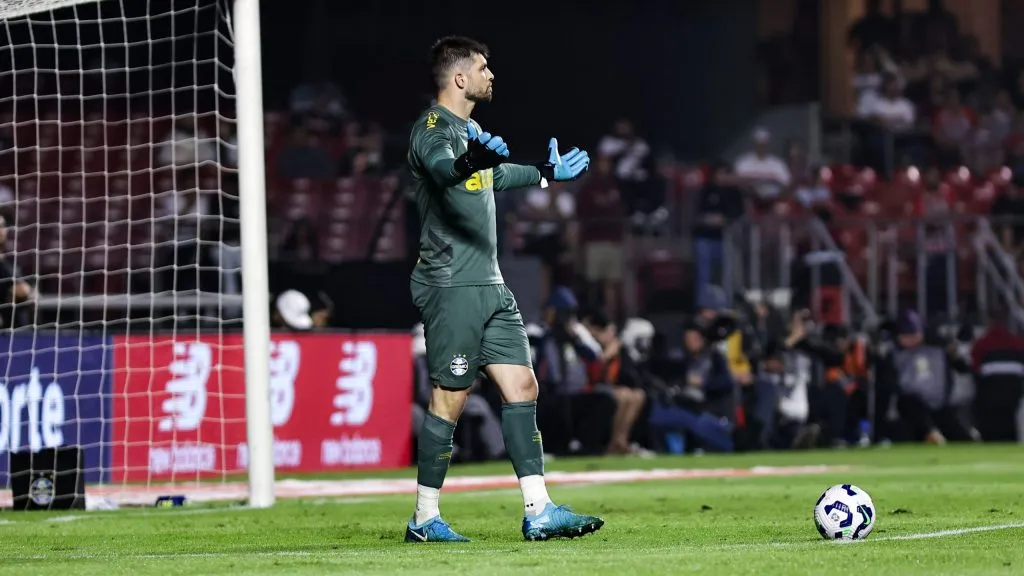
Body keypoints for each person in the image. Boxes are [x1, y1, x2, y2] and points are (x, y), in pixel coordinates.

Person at [404, 36, 601, 543]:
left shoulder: (470, 130)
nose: (493, 75)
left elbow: (492, 175)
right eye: (484, 67)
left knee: (523, 387)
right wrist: (472, 159)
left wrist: (545, 172)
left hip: (490, 283)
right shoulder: (432, 128)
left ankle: (539, 510)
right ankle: (424, 518)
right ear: (461, 78)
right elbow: (448, 172)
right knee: (450, 398)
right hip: (450, 284)